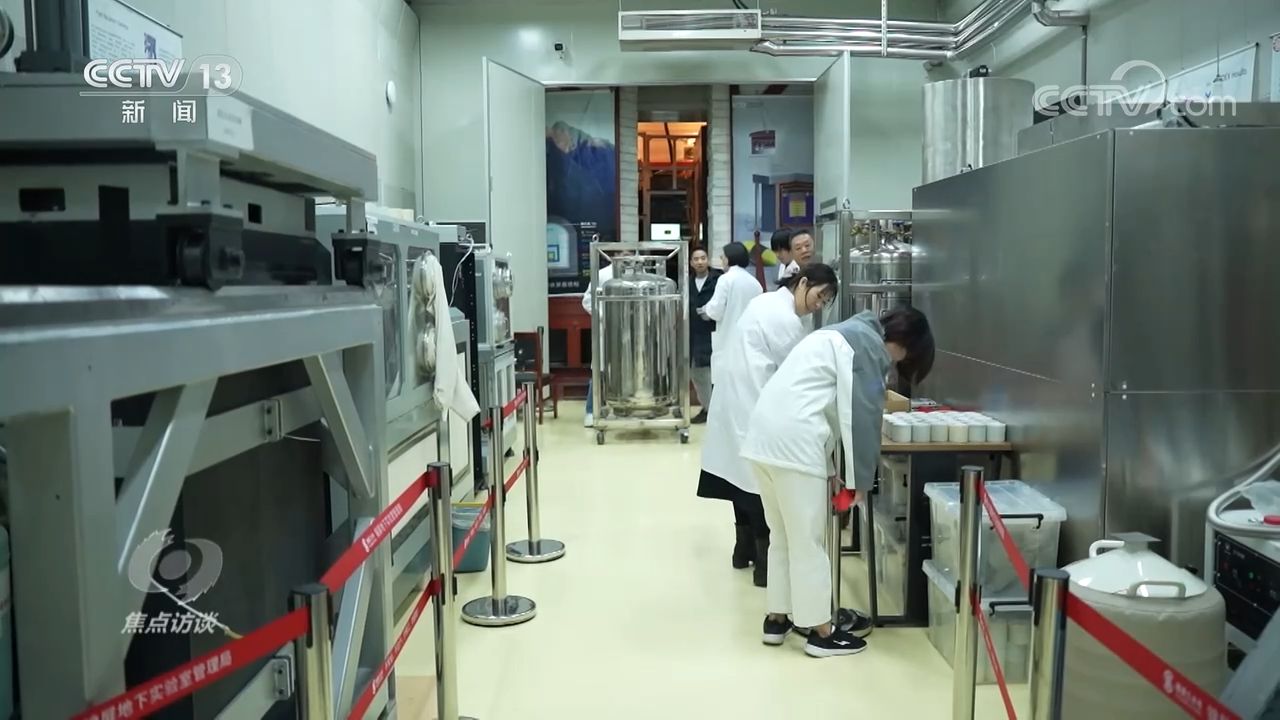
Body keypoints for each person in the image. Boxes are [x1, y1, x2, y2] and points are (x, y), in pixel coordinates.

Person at [742, 307, 934, 658]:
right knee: (808, 543)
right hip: (796, 445)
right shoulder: (869, 346)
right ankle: (821, 632)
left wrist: (830, 467)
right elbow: (862, 414)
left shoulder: (836, 334)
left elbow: (821, 404)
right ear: (905, 343)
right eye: (902, 359)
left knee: (782, 537)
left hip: (762, 441)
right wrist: (861, 479)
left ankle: (777, 619)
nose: (894, 365)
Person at [697, 264, 839, 587]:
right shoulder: (785, 320)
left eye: (824, 302)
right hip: (755, 403)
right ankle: (764, 566)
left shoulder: (765, 302)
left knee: (738, 479)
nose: (818, 305)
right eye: (819, 296)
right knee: (762, 489)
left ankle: (742, 549)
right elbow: (797, 373)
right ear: (803, 282)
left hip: (732, 397)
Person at [699, 243, 762, 389]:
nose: (722, 260)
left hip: (728, 340)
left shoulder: (726, 279)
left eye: (723, 257)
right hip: (750, 342)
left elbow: (715, 310)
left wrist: (705, 309)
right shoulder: (755, 283)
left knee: (725, 387)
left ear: (729, 259)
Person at [688, 248, 721, 424]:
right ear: (691, 263)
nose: (700, 262)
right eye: (696, 259)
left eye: (703, 258)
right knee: (698, 373)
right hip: (694, 334)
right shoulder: (687, 282)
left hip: (714, 332)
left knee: (714, 374)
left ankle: (716, 411)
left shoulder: (718, 280)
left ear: (708, 260)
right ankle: (707, 407)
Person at [581, 254, 614, 427]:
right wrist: (603, 316)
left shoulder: (640, 275)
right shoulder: (602, 275)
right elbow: (587, 300)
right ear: (613, 256)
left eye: (630, 253)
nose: (627, 256)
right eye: (622, 253)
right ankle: (591, 410)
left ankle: (623, 409)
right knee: (599, 373)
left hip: (632, 334)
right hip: (606, 330)